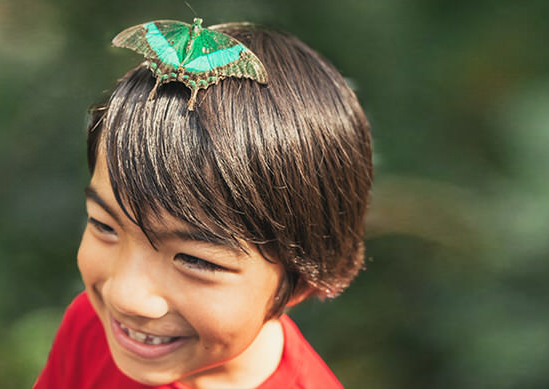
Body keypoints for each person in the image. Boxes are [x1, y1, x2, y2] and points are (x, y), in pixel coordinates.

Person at [34, 20, 373, 389]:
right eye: (104, 225)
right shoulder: (92, 329)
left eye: (195, 260)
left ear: (302, 282)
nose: (126, 297)